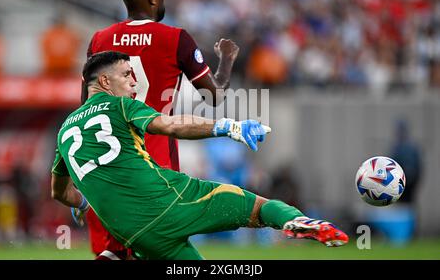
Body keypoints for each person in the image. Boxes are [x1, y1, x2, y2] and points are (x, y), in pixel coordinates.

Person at [51, 51, 348, 260]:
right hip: (169, 201)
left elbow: (60, 191)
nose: (134, 83)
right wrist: (227, 126)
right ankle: (296, 221)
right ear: (104, 83)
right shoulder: (119, 106)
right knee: (258, 207)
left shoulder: (64, 131)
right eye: (127, 75)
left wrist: (84, 201)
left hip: (133, 234)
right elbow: (169, 124)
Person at [81, 0, 240, 259]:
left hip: (107, 163)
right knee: (161, 250)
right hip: (155, 163)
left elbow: (86, 109)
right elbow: (214, 95)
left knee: (115, 251)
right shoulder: (176, 38)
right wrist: (227, 60)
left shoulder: (100, 40)